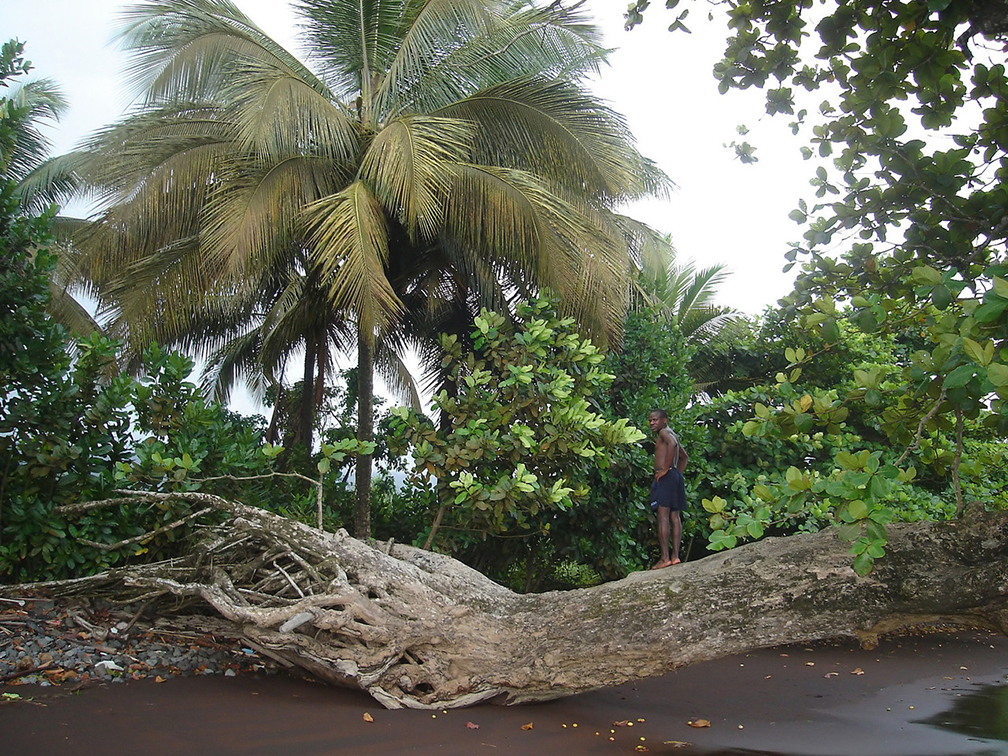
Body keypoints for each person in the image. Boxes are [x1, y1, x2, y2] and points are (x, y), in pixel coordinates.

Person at [648, 409, 688, 569]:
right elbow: (684, 457)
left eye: (655, 420)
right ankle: (675, 557)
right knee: (674, 516)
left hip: (666, 477)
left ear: (664, 420)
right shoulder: (671, 433)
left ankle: (665, 558)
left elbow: (672, 444)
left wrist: (665, 469)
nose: (652, 423)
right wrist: (676, 474)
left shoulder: (665, 433)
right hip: (674, 477)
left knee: (663, 516)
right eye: (650, 420)